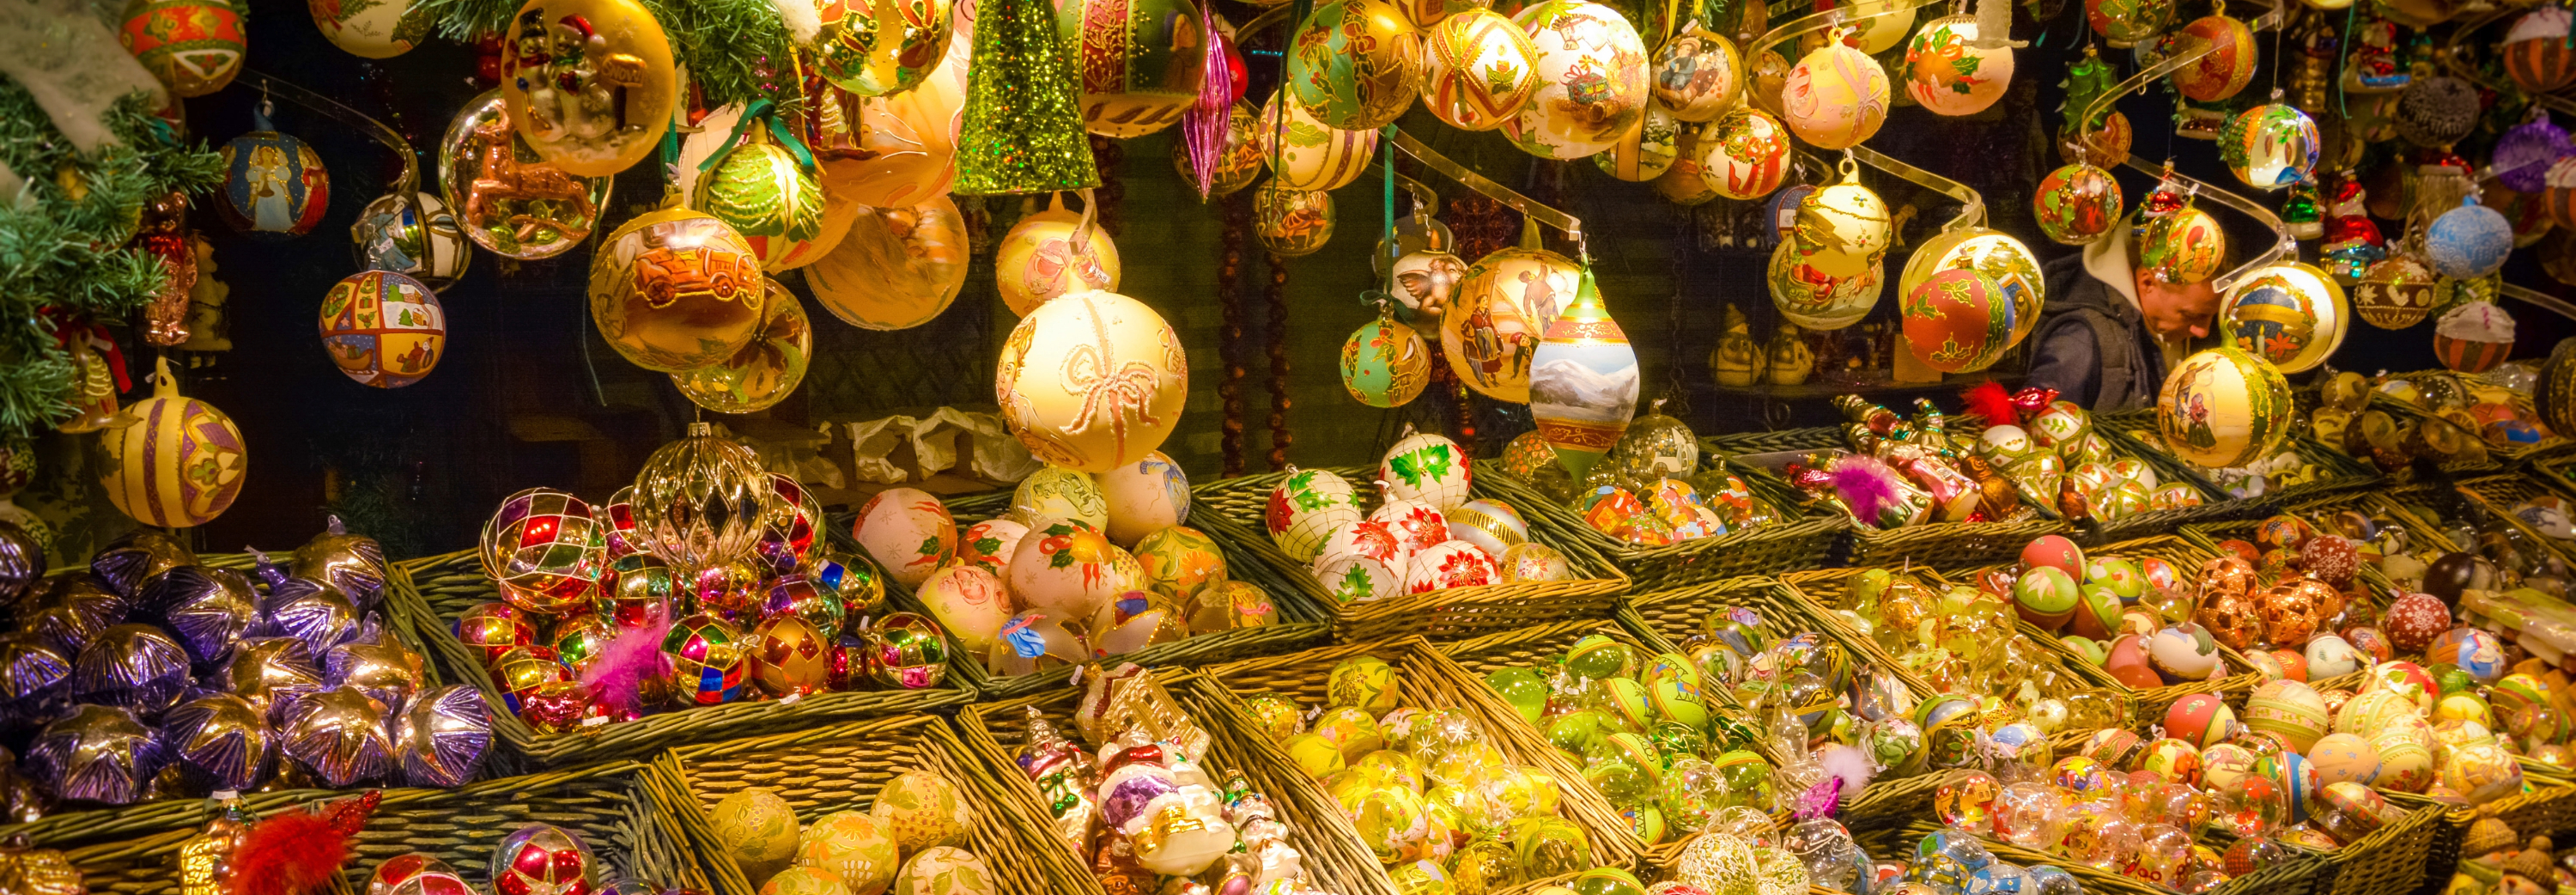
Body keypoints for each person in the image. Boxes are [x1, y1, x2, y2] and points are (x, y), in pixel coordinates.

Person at [2024, 223, 2223, 410]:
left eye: (2212, 316)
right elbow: (2038, 425)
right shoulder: (2081, 342)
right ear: (2148, 283)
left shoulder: (2164, 332)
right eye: (2190, 315)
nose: (2203, 332)